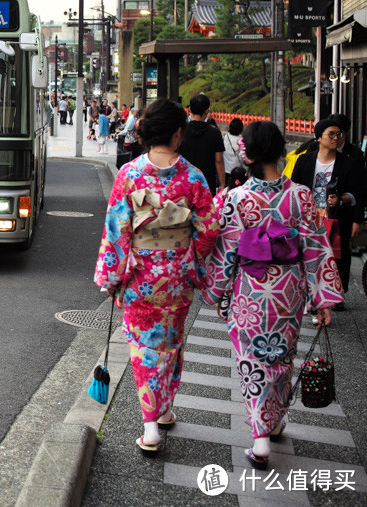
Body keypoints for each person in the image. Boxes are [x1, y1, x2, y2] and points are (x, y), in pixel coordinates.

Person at [205, 120, 343, 470]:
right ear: (281, 150)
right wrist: (322, 297)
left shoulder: (236, 198)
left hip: (250, 294)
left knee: (252, 362)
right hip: (288, 292)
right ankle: (274, 420)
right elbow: (315, 247)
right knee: (281, 357)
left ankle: (261, 438)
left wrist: (214, 290)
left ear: (247, 154)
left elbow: (226, 253)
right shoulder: (300, 196)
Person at [93, 98, 217, 457]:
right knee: (171, 342)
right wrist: (192, 260)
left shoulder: (129, 175)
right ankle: (160, 412)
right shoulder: (193, 177)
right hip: (177, 276)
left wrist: (111, 276)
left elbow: (117, 229)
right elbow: (209, 229)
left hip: (139, 276)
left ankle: (152, 425)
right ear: (178, 134)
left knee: (144, 347)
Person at [291, 118, 364, 307]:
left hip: (337, 217)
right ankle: (309, 290)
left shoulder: (349, 164)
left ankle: (337, 293)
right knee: (309, 254)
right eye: (330, 134)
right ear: (318, 138)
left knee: (337, 255)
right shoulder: (305, 160)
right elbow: (294, 188)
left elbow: (356, 193)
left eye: (338, 134)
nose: (336, 138)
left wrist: (341, 200)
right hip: (309, 217)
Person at [178, 94, 226, 193]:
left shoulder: (180, 131)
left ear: (189, 109)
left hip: (184, 181)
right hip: (207, 182)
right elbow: (219, 160)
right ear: (207, 111)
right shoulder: (215, 132)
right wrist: (222, 184)